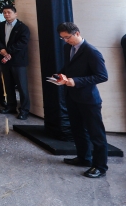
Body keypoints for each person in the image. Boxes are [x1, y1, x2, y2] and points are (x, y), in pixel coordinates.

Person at [55, 22, 109, 178]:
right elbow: (69, 68)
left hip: (89, 99)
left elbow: (102, 76)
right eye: (62, 38)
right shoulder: (68, 48)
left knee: (96, 134)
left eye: (67, 37)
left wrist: (76, 81)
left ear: (77, 33)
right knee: (78, 130)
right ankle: (84, 158)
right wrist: (59, 75)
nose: (65, 41)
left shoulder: (92, 52)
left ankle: (100, 167)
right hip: (72, 97)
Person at [0, 5, 30, 120]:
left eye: (9, 12)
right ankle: (11, 106)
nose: (6, 14)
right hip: (5, 60)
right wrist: (2, 50)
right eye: (4, 12)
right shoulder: (0, 26)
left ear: (15, 14)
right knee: (8, 85)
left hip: (18, 61)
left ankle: (24, 110)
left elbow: (23, 42)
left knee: (22, 87)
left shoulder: (23, 27)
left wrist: (8, 51)